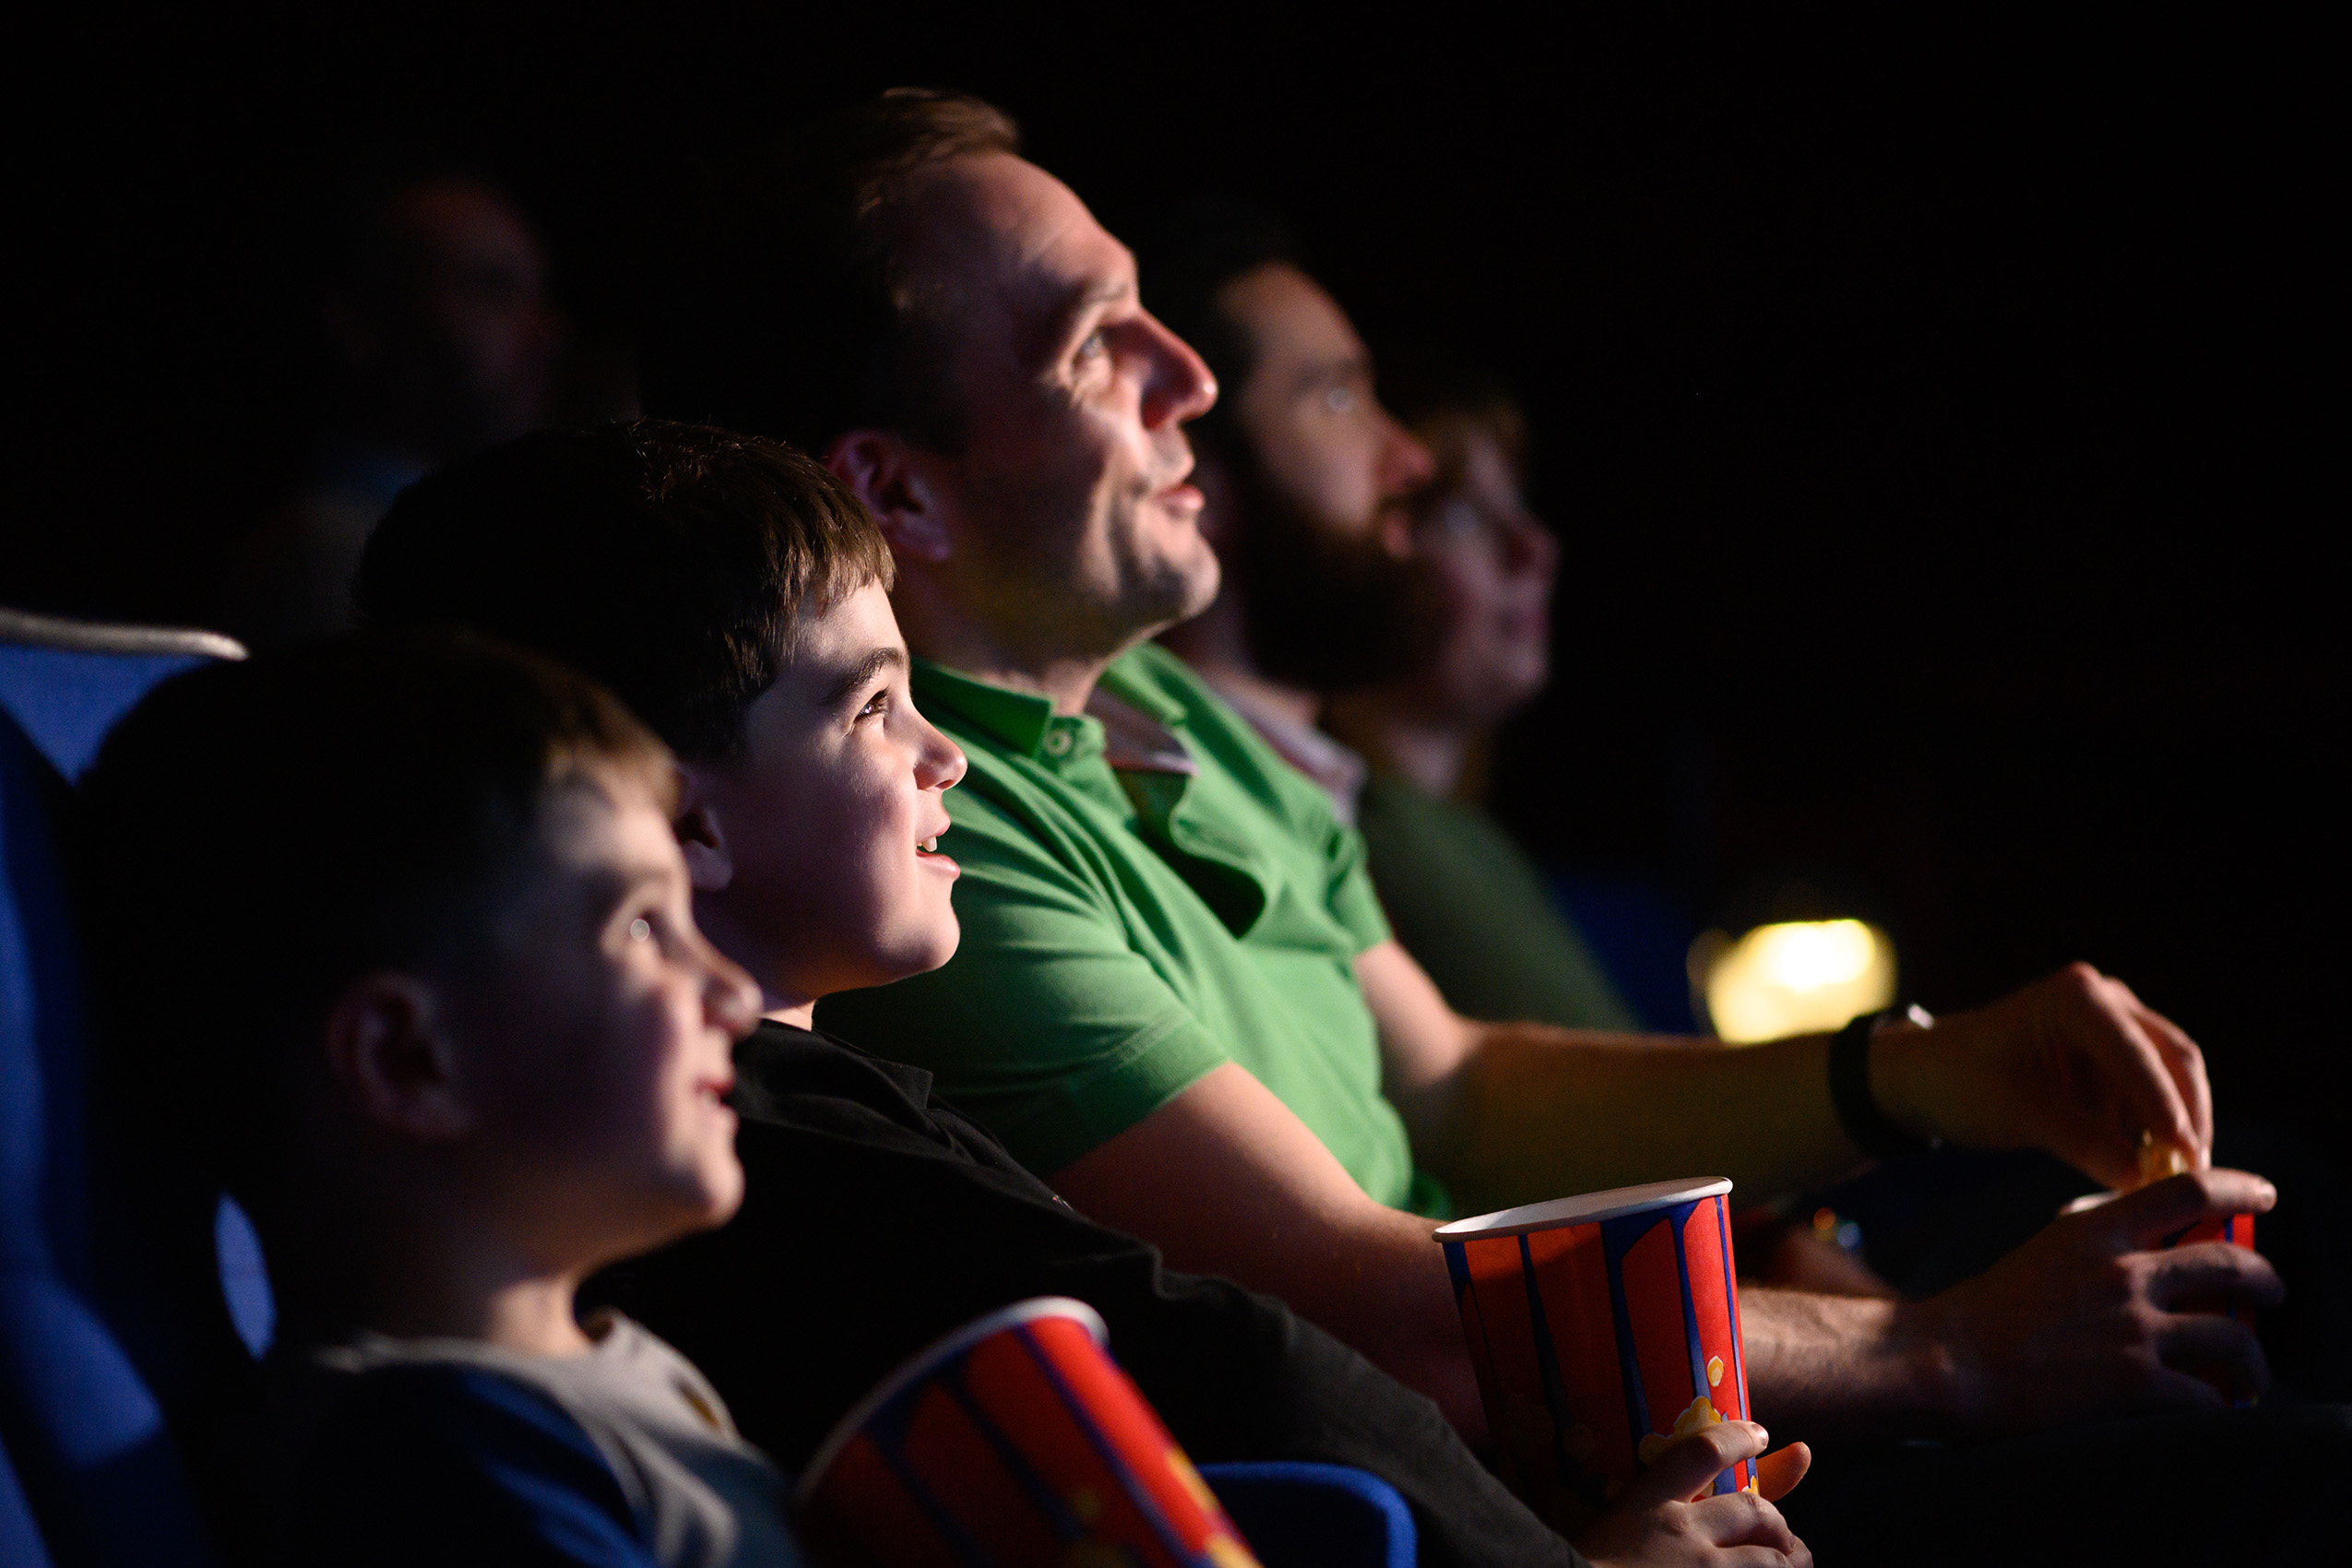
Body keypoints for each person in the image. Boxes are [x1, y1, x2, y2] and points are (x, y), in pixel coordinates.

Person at [642, 92, 2349, 1560]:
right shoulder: (928, 848)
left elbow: (1460, 1081)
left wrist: (1907, 1073)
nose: (1190, 383)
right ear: (896, 489)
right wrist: (1948, 1352)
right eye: (1102, 345)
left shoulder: (1169, 721)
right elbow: (1384, 1311)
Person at [353, 417, 1816, 1567]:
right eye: (874, 708)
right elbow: (1231, 1365)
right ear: (680, 820)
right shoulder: (757, 1148)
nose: (951, 760)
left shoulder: (794, 1106)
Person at [77, 632, 800, 1566]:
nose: (734, 992)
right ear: (411, 1058)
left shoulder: (589, 1376)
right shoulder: (431, 1454)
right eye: (641, 926)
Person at [216, 157, 566, 647]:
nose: (545, 333)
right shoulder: (331, 552)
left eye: (540, 294)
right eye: (491, 290)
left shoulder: (474, 538)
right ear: (359, 320)